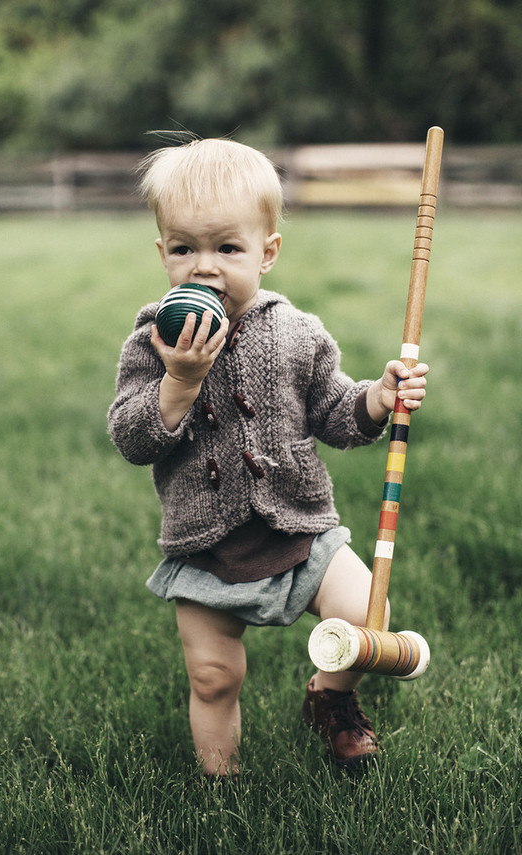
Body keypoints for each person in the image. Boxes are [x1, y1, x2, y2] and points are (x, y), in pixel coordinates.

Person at [108, 138, 428, 779]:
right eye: (183, 249)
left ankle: (329, 698)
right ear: (162, 252)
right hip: (206, 544)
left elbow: (336, 414)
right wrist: (179, 383)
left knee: (370, 618)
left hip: (300, 527)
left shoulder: (296, 332)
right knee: (212, 674)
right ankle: (220, 790)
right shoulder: (153, 341)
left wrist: (378, 397)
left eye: (227, 248)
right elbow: (131, 437)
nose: (203, 267)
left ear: (267, 252)